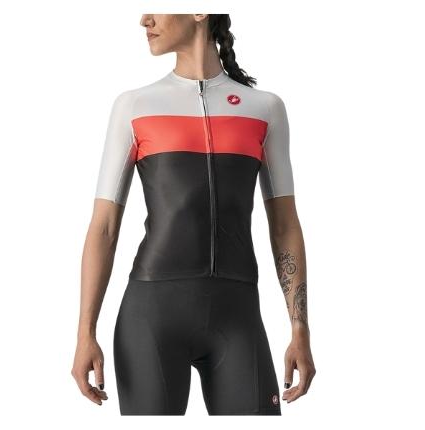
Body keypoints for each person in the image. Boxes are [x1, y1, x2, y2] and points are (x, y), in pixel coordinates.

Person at [71, 13, 316, 416]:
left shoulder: (265, 109)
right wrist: (85, 334)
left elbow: (285, 227)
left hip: (237, 317)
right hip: (150, 317)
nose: (144, 19)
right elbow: (104, 228)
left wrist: (299, 330)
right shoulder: (134, 106)